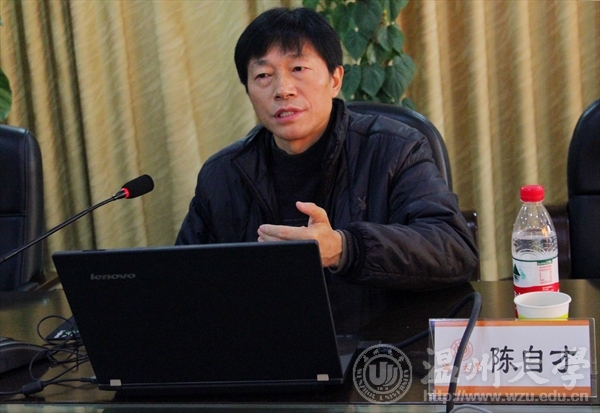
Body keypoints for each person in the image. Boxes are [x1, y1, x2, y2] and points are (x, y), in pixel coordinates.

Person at [176, 7, 478, 329]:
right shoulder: (223, 175)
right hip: (266, 348)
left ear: (335, 80)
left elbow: (453, 248)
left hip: (380, 346)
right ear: (248, 91)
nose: (282, 89)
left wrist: (345, 249)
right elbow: (182, 280)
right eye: (263, 76)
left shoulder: (395, 149)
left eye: (298, 68)